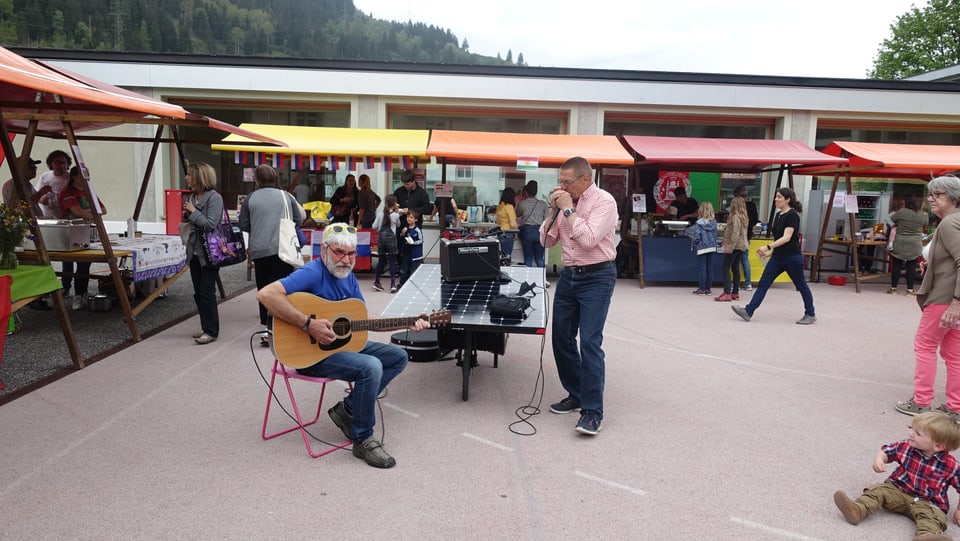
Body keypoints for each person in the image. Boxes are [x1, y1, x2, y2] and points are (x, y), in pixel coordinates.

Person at [256, 225, 431, 468]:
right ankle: (362, 439)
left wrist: (407, 323)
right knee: (370, 367)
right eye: (340, 252)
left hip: (340, 349)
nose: (347, 260)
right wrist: (308, 324)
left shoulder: (347, 276)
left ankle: (349, 408)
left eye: (352, 254)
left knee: (397, 356)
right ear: (324, 249)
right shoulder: (312, 272)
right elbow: (266, 295)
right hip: (310, 356)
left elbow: (363, 319)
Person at [541, 156, 617, 436]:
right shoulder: (562, 206)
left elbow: (588, 239)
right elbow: (545, 241)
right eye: (559, 181)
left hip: (597, 277)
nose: (562, 186)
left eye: (566, 181)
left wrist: (569, 210)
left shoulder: (604, 202)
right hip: (569, 276)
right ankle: (576, 393)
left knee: (590, 343)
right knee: (561, 337)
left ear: (585, 179)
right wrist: (552, 213)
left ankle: (592, 412)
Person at [833, 411, 960, 541]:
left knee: (932, 518)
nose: (911, 434)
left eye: (918, 433)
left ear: (938, 446)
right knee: (878, 491)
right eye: (912, 429)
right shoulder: (905, 446)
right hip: (897, 490)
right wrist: (879, 460)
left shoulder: (951, 466)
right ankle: (857, 510)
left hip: (929, 502)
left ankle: (926, 537)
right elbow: (886, 451)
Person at [894, 176, 960, 420]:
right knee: (954, 354)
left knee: (925, 346)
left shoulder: (950, 223)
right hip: (950, 296)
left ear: (953, 198)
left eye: (938, 194)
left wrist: (956, 301)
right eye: (931, 194)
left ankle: (921, 402)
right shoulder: (954, 220)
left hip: (945, 297)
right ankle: (955, 406)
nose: (931, 199)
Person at [238, 164, 306, 346]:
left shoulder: (250, 199)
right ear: (275, 178)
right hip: (283, 249)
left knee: (264, 290)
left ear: (257, 180)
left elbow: (243, 224)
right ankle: (282, 326)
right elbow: (298, 220)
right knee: (283, 288)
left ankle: (267, 327)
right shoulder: (286, 196)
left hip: (259, 250)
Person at [731, 187, 816, 325]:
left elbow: (787, 237)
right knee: (763, 284)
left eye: (779, 197)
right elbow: (780, 239)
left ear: (787, 200)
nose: (776, 199)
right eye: (776, 196)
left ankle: (810, 313)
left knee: (801, 286)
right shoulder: (778, 215)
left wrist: (768, 246)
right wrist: (770, 252)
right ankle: (748, 311)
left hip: (792, 258)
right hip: (778, 257)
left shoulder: (792, 215)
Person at [181, 162, 224, 345]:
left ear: (199, 177)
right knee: (198, 292)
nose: (186, 178)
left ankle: (211, 330)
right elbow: (192, 221)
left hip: (210, 252)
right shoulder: (193, 196)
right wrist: (187, 213)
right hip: (195, 251)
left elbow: (211, 224)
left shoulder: (214, 198)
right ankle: (206, 325)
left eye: (189, 174)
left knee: (207, 291)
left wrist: (192, 211)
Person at [60, 166, 107, 311]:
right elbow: (77, 211)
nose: (87, 178)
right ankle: (77, 294)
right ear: (74, 176)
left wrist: (88, 213)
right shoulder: (67, 192)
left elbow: (103, 210)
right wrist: (90, 212)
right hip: (71, 233)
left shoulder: (89, 192)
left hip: (88, 232)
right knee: (77, 264)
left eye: (88, 175)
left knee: (85, 264)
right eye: (84, 175)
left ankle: (82, 292)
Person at [36, 150, 75, 293]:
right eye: (57, 162)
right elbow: (36, 194)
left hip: (65, 219)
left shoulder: (70, 178)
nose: (61, 165)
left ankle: (66, 285)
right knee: (46, 252)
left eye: (64, 162)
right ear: (51, 164)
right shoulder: (45, 176)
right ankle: (47, 284)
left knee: (67, 255)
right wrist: (42, 199)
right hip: (48, 218)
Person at [888, 195, 929, 296]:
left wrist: (896, 226)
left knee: (897, 265)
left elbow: (889, 220)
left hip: (900, 241)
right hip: (915, 243)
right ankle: (910, 290)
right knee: (911, 267)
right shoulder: (924, 215)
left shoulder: (902, 212)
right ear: (920, 204)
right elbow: (925, 226)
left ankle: (893, 289)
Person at [715, 197, 749, 302]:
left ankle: (727, 292)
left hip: (734, 246)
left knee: (725, 268)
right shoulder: (744, 217)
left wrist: (729, 246)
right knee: (736, 269)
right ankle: (735, 293)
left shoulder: (735, 217)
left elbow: (735, 234)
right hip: (742, 246)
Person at [685, 201, 717, 295]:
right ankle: (708, 289)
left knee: (702, 268)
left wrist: (695, 243)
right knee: (709, 267)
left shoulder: (699, 223)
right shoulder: (714, 222)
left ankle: (702, 289)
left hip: (702, 247)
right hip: (711, 246)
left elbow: (697, 236)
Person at [372, 194, 401, 293]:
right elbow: (398, 225)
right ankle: (392, 284)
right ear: (394, 204)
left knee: (381, 260)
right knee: (392, 261)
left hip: (381, 239)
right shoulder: (396, 215)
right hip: (391, 239)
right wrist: (397, 212)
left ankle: (376, 281)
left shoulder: (380, 214)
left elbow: (374, 226)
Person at [516, 180, 548, 267]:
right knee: (539, 258)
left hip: (527, 232)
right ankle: (541, 279)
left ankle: (528, 279)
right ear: (536, 191)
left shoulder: (522, 204)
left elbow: (518, 214)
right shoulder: (543, 204)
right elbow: (546, 219)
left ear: (526, 192)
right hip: (539, 233)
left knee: (528, 258)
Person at [734, 185, 758, 291]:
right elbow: (755, 220)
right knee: (745, 259)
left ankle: (737, 283)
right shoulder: (752, 205)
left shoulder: (739, 206)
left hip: (738, 237)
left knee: (737, 260)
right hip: (747, 235)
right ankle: (748, 283)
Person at [399, 209, 423, 286]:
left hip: (415, 254)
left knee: (413, 270)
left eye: (411, 217)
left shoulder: (417, 230)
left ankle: (412, 286)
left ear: (416, 219)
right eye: (408, 217)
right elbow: (401, 238)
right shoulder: (405, 228)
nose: (409, 218)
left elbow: (421, 240)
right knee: (404, 270)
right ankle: (402, 284)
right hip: (406, 253)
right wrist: (402, 233)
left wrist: (413, 243)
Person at [496, 187, 518, 264]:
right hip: (508, 233)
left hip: (500, 233)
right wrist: (517, 230)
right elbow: (513, 224)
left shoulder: (500, 206)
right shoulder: (509, 207)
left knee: (501, 257)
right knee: (507, 258)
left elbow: (497, 221)